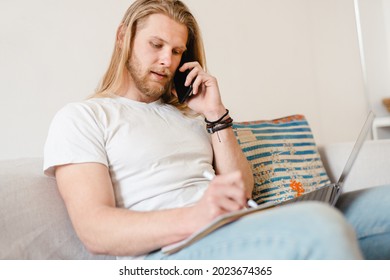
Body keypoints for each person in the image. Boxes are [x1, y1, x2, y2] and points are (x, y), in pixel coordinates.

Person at [43, 0, 390, 260]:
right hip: (174, 252)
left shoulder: (190, 116)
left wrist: (215, 114)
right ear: (123, 36)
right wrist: (198, 214)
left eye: (177, 51)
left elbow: (243, 187)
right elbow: (95, 229)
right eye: (156, 45)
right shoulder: (82, 117)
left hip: (240, 224)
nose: (168, 60)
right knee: (319, 226)